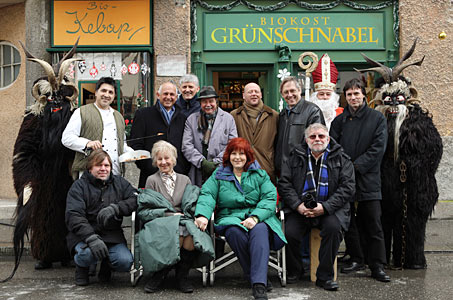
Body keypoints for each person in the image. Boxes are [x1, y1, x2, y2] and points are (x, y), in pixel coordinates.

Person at [355, 41, 442, 269]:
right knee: (382, 224)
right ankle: (380, 261)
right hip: (384, 187)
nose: (393, 104)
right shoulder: (376, 122)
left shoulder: (419, 121)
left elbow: (433, 150)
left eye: (399, 99)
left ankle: (412, 259)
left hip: (413, 189)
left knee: (412, 225)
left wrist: (412, 163)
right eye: (388, 99)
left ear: (408, 98)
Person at [195, 137, 286, 300]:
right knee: (234, 232)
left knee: (260, 231)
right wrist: (202, 215)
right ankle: (259, 277)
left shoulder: (259, 174)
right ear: (228, 156)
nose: (237, 157)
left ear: (248, 156)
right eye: (234, 153)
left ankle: (258, 285)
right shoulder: (219, 174)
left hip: (259, 217)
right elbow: (207, 194)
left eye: (242, 154)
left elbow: (270, 197)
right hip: (230, 217)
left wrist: (256, 217)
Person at [278, 123, 354, 291]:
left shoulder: (341, 158)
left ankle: (325, 276)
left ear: (328, 138)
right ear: (306, 140)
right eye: (313, 137)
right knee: (289, 233)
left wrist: (325, 207)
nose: (317, 139)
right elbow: (284, 184)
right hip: (300, 208)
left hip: (329, 209)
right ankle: (295, 270)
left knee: (333, 230)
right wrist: (297, 206)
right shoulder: (295, 156)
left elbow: (347, 188)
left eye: (321, 136)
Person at [330, 78, 390, 282]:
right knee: (350, 222)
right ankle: (356, 257)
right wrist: (346, 169)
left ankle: (377, 264)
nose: (353, 97)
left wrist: (356, 166)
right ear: (345, 97)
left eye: (356, 93)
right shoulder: (339, 121)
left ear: (364, 94)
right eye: (349, 94)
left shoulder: (377, 118)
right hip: (345, 179)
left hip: (368, 178)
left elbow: (378, 148)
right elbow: (333, 148)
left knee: (373, 222)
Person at [137, 140, 214, 293]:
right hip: (161, 221)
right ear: (155, 162)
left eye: (167, 158)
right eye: (159, 159)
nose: (164, 162)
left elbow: (190, 204)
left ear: (174, 159)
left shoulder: (185, 179)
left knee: (192, 238)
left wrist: (195, 216)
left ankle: (182, 276)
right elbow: (148, 207)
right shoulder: (152, 180)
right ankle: (160, 275)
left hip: (184, 220)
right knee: (175, 235)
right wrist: (170, 214)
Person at [65, 149, 137, 286]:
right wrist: (91, 238)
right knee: (87, 255)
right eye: (99, 165)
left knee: (125, 261)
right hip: (84, 236)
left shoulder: (119, 183)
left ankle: (107, 266)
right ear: (90, 167)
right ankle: (82, 268)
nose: (103, 169)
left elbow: (135, 199)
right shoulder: (79, 187)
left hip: (112, 234)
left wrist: (116, 208)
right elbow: (73, 216)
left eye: (107, 165)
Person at [62, 76, 133, 179]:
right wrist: (87, 143)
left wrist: (132, 153)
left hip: (115, 175)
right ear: (96, 92)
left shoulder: (119, 117)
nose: (106, 95)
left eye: (110, 92)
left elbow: (122, 144)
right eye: (103, 91)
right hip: (90, 176)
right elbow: (66, 138)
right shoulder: (82, 112)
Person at [129, 81, 190, 188]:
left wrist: (182, 168)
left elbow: (186, 145)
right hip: (150, 175)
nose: (168, 97)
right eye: (165, 94)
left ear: (176, 97)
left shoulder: (183, 118)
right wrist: (149, 166)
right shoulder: (143, 115)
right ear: (158, 95)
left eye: (172, 94)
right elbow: (136, 145)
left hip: (177, 175)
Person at [182, 86, 237, 187]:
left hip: (221, 169)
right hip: (198, 170)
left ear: (216, 102)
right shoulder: (191, 119)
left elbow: (232, 145)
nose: (208, 105)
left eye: (211, 101)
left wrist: (215, 163)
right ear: (200, 103)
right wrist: (202, 162)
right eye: (204, 102)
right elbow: (186, 146)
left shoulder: (228, 119)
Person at [274, 76, 325, 177]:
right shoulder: (282, 115)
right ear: (282, 95)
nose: (290, 95)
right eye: (286, 92)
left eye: (292, 91)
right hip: (284, 171)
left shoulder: (313, 111)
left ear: (299, 90)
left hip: (303, 170)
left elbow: (317, 144)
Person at [231, 82, 279, 184]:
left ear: (261, 95)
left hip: (267, 169)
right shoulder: (234, 115)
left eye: (256, 91)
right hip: (242, 170)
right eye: (250, 92)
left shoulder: (273, 116)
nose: (254, 94)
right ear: (243, 96)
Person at [308, 53, 344, 130]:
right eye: (321, 94)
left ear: (333, 96)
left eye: (328, 94)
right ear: (315, 96)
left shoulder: (342, 114)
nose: (325, 97)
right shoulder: (307, 114)